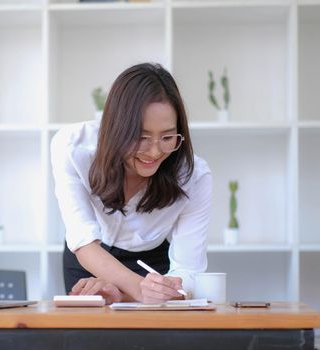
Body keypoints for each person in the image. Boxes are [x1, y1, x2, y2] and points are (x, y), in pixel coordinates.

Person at [50, 62, 212, 304]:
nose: (155, 152)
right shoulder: (73, 147)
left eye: (167, 137)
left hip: (152, 263)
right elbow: (82, 238)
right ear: (117, 128)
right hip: (90, 257)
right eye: (141, 137)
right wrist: (129, 289)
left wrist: (125, 293)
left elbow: (189, 271)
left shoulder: (193, 176)